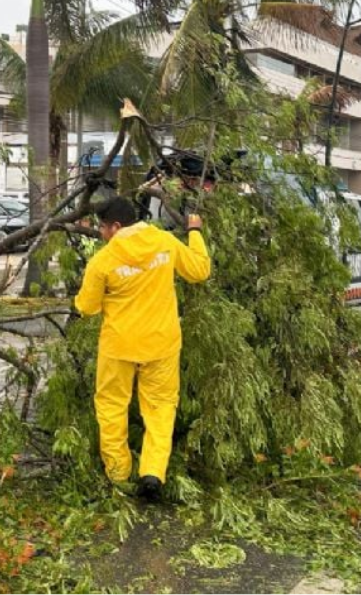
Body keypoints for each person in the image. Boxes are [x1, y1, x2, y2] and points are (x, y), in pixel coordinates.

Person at [74, 197, 211, 500]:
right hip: (162, 343)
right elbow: (199, 270)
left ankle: (118, 475)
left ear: (116, 226)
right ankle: (152, 473)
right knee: (161, 408)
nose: (101, 234)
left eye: (103, 228)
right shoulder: (164, 242)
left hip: (118, 346)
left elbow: (87, 307)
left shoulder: (104, 261)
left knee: (111, 408)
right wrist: (195, 231)